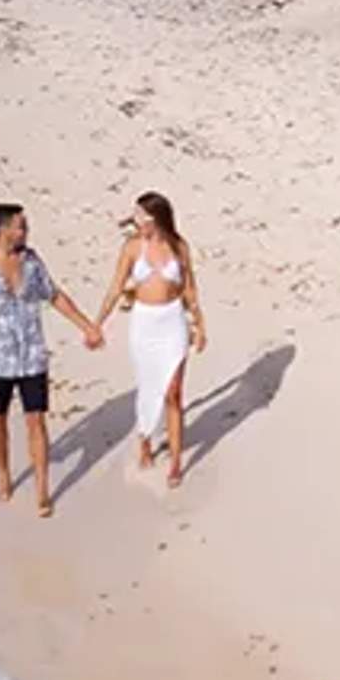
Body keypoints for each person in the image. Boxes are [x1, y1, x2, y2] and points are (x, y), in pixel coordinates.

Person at [0, 202, 101, 516]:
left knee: (36, 419)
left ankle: (42, 490)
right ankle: (3, 474)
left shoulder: (31, 261)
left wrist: (87, 326)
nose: (26, 231)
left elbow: (54, 295)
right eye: (21, 226)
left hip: (32, 355)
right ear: (3, 229)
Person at [102, 191, 206, 487]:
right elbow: (115, 288)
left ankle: (175, 462)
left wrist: (200, 325)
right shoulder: (133, 247)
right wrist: (97, 322)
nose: (136, 221)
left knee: (173, 392)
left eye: (141, 216)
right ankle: (145, 439)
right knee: (149, 386)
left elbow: (190, 289)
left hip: (173, 320)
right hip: (144, 322)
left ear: (156, 218)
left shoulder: (179, 246)